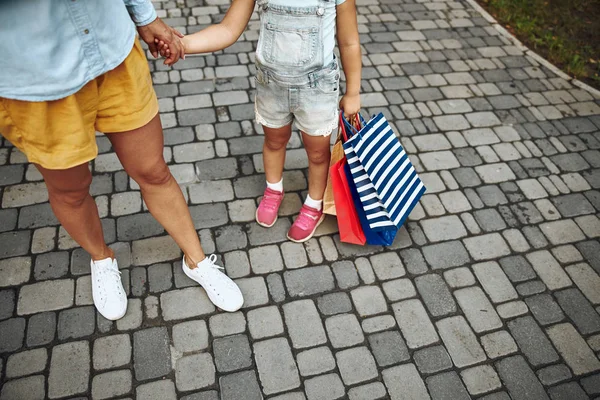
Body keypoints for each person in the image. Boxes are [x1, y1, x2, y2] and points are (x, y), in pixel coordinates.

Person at [0, 1, 244, 320]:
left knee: (153, 170)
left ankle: (196, 260)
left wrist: (144, 15)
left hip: (111, 48)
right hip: (36, 82)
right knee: (70, 191)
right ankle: (101, 258)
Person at [162, 0, 361, 242]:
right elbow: (228, 29)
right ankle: (274, 189)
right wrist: (181, 44)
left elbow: (349, 42)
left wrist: (353, 92)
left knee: (318, 152)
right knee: (274, 141)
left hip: (316, 90)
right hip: (271, 86)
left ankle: (314, 203)